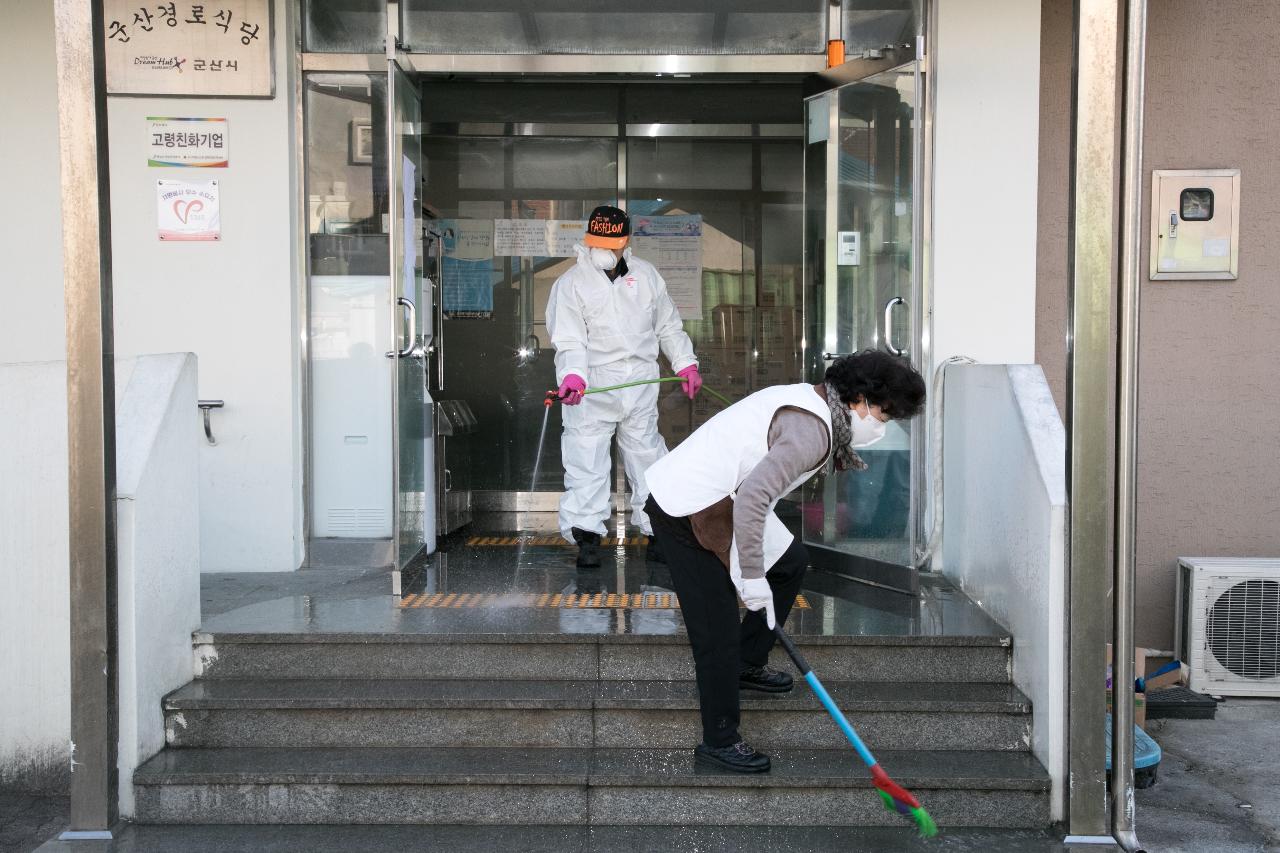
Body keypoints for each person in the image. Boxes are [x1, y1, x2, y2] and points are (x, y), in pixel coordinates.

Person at [643, 351, 926, 773]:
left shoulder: (817, 402)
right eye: (883, 418)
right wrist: (752, 577)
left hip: (729, 495)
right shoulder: (811, 431)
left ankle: (745, 661)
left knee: (790, 562)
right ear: (861, 400)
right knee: (715, 626)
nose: (881, 429)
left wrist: (758, 569)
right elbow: (756, 499)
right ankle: (719, 740)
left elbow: (754, 494)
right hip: (687, 504)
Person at [547, 205, 701, 568]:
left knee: (647, 456)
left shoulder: (647, 277)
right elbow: (569, 340)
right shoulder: (570, 283)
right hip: (591, 387)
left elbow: (668, 326)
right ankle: (586, 537)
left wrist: (685, 363)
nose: (603, 250)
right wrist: (572, 376)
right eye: (596, 242)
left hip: (639, 386)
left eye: (610, 243)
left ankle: (657, 530)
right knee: (586, 458)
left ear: (624, 242)